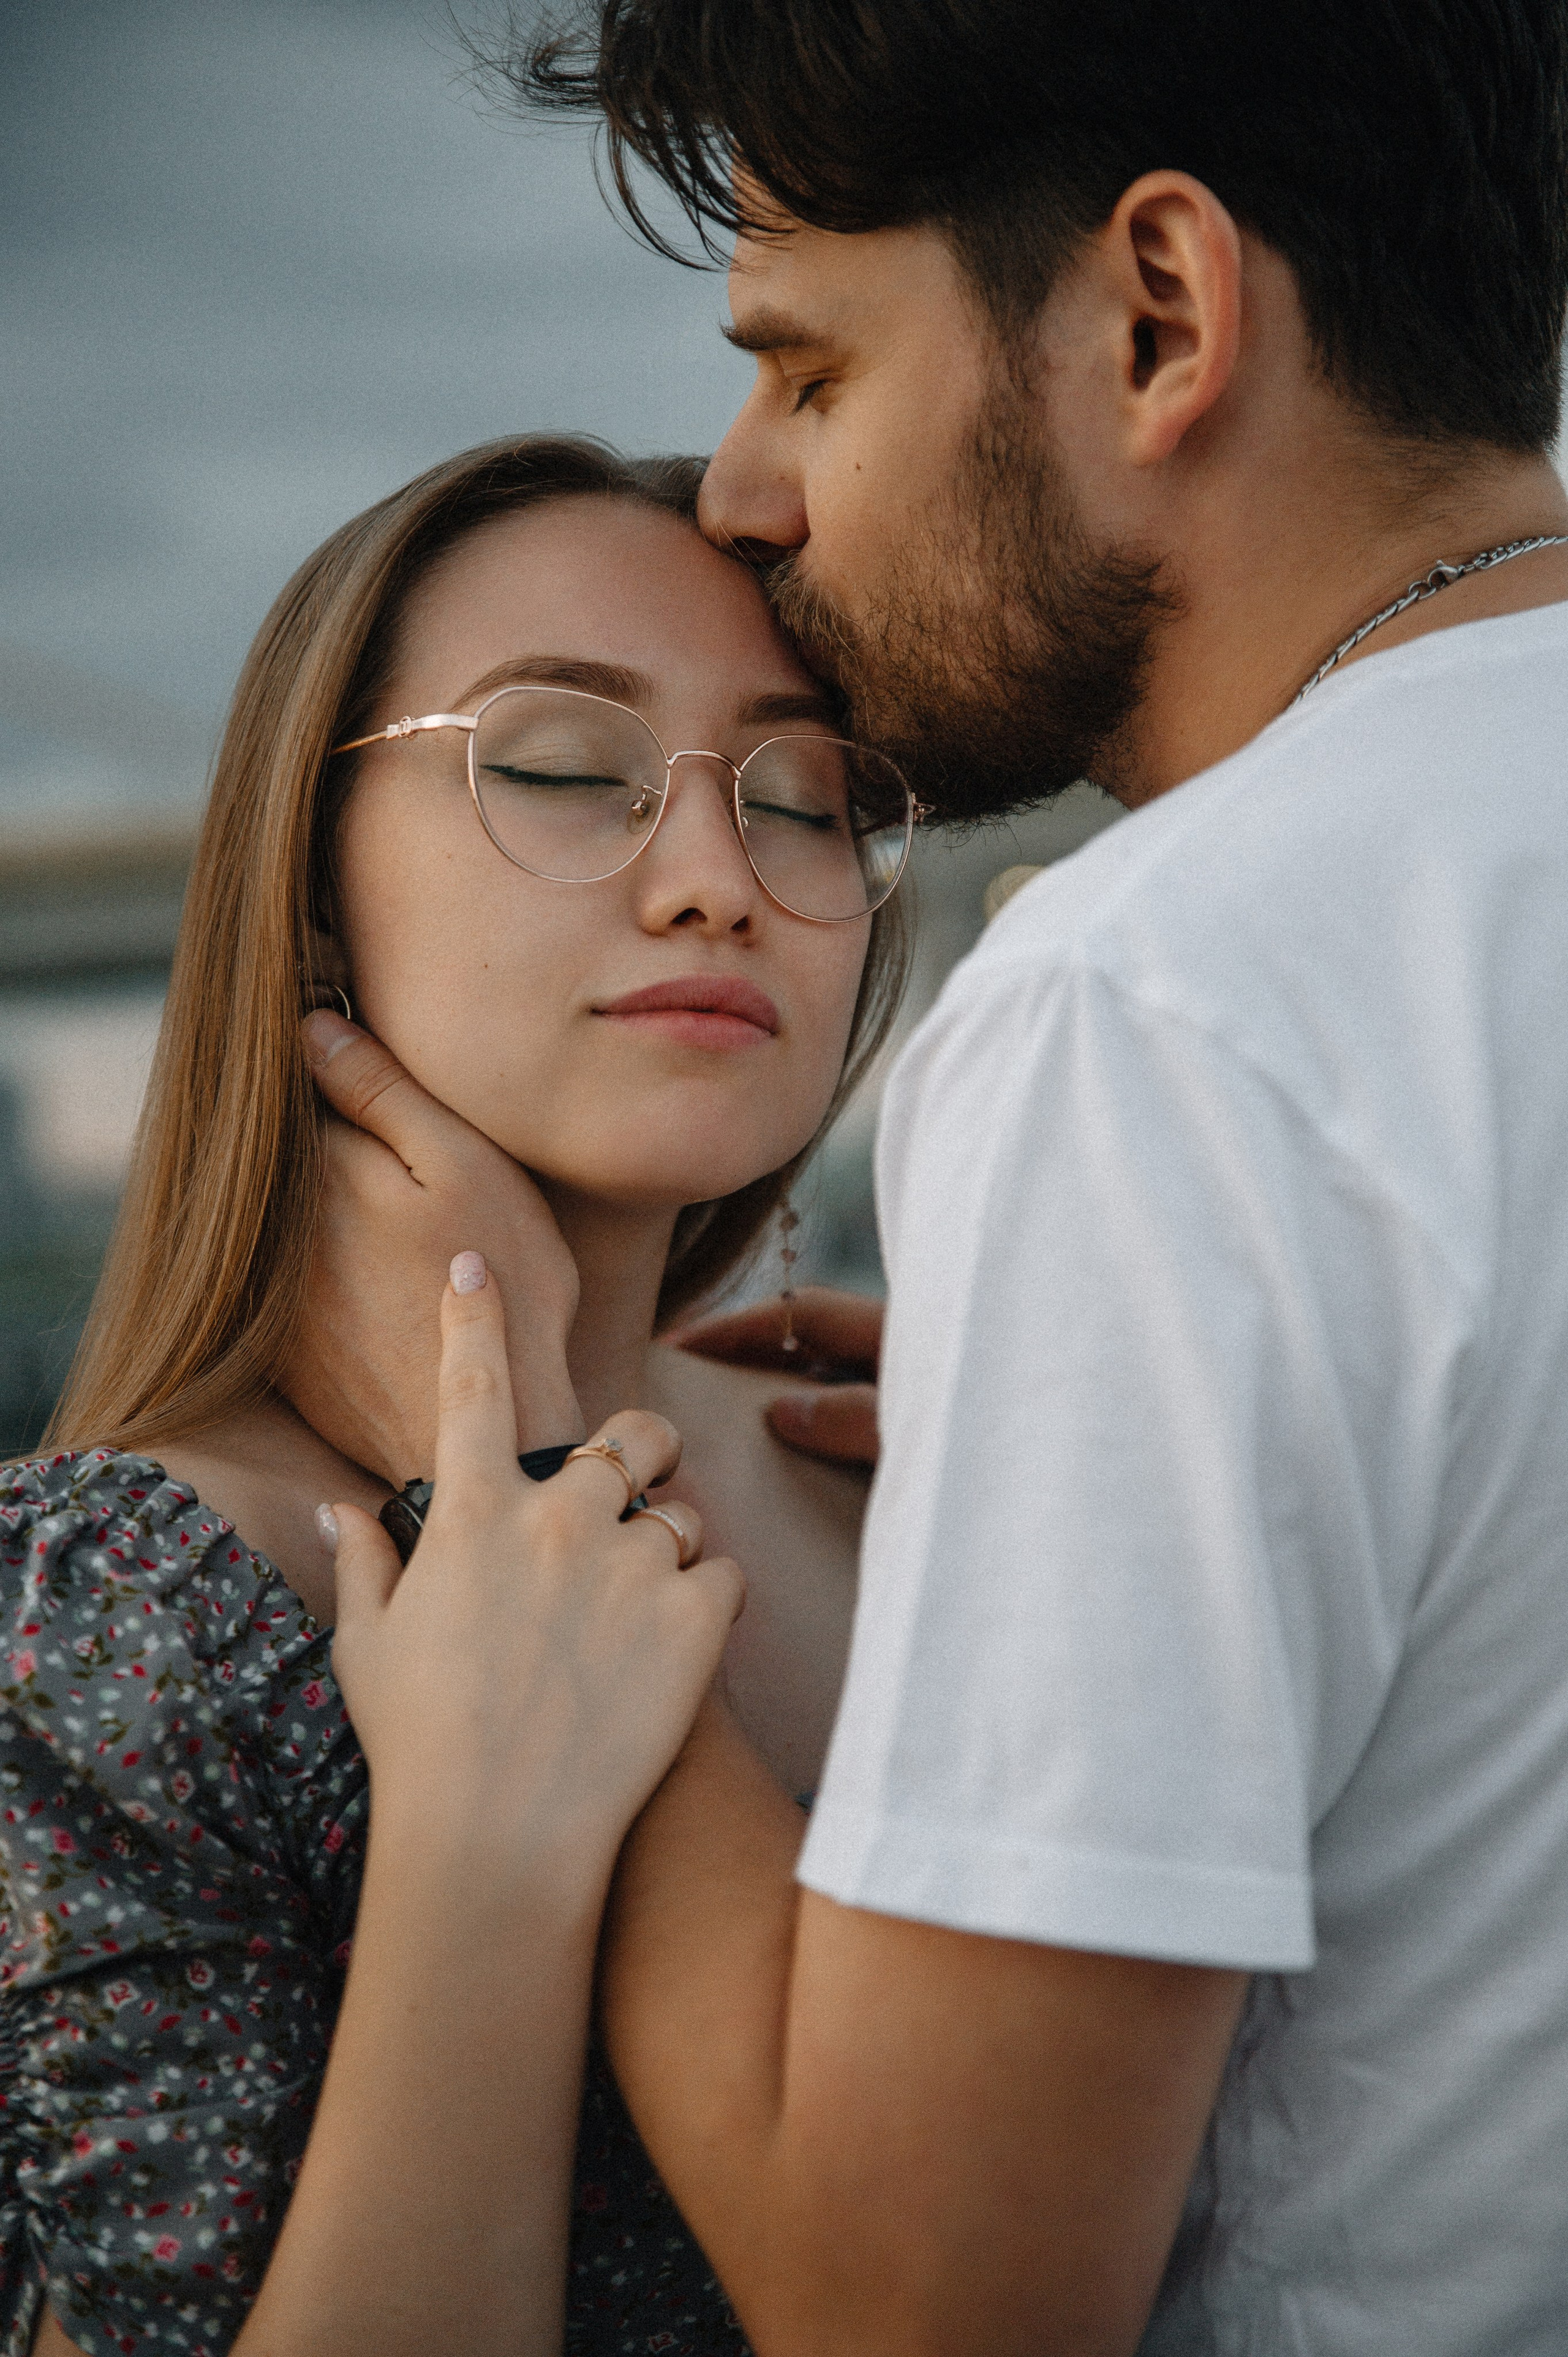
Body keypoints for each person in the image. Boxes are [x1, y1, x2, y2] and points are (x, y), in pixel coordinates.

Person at [294, 2, 1568, 2351]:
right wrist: (1094, 1419)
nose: (744, 493)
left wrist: (559, 1492)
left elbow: (915, 2310)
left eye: (808, 369)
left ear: (1156, 315)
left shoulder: (1165, 1005)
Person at [0, 430, 918, 2356]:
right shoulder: (120, 1609)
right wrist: (483, 1851)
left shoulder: (919, 1478)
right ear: (313, 888)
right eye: (568, 770)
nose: (712, 880)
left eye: (809, 797)